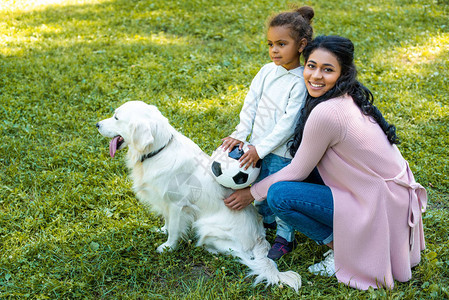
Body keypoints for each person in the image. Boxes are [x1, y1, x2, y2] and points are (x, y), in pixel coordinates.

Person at [223, 35, 427, 290]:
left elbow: (298, 170)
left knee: (279, 195)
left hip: (379, 206)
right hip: (387, 197)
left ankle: (342, 250)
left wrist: (251, 194)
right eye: (311, 66)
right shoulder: (345, 97)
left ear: (343, 73)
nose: (316, 76)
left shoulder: (327, 112)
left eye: (327, 69)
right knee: (290, 178)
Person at [220, 6, 316, 260]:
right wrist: (241, 134)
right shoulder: (265, 71)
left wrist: (260, 150)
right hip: (256, 147)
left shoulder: (300, 81)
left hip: (281, 152)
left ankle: (286, 237)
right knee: (259, 193)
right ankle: (268, 222)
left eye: (281, 44)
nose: (274, 50)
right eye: (271, 44)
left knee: (275, 193)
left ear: (301, 45)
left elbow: (288, 123)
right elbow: (250, 103)